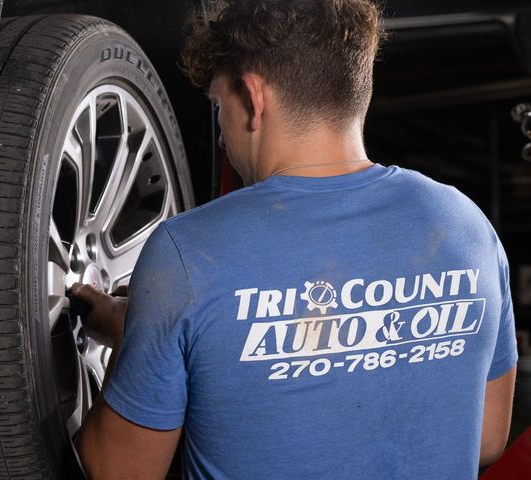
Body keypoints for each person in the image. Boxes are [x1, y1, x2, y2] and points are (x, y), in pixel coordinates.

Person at [72, 1, 518, 478]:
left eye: (218, 106)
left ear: (252, 96)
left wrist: (135, 342)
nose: (221, 137)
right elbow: (488, 437)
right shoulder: (467, 226)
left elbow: (115, 471)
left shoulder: (189, 252)